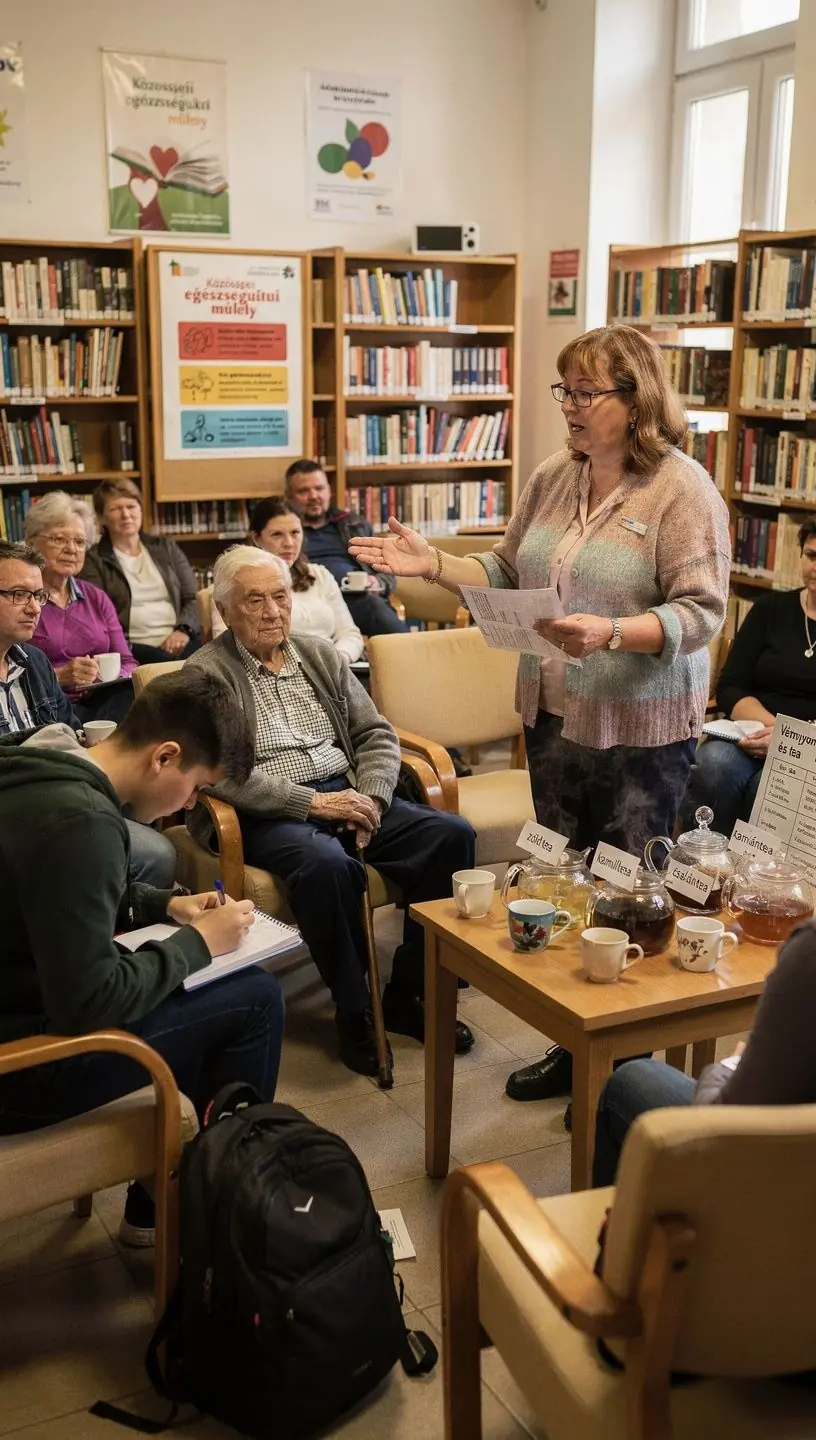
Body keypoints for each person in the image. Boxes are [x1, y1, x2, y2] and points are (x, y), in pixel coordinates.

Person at [349, 324, 731, 1109]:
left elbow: (702, 611)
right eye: (566, 391)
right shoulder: (557, 473)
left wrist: (614, 632)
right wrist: (437, 568)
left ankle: (628, 1076)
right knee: (566, 884)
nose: (572, 408)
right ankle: (574, 1045)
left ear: (636, 400)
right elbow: (505, 565)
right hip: (553, 714)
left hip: (641, 726)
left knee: (631, 896)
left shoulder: (682, 489)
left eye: (588, 393)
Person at [0, 666, 284, 1246]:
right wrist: (199, 943)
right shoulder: (83, 821)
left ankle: (161, 1198)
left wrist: (164, 907)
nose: (191, 802)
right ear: (164, 756)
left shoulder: (35, 759)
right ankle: (211, 1223)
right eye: (197, 786)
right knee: (253, 998)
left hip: (15, 999)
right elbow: (89, 1002)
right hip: (19, 1067)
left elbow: (50, 894)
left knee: (199, 996)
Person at [187, 544, 476, 1076]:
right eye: (255, 601)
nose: (274, 611)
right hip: (272, 810)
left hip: (349, 789)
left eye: (280, 597)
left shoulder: (318, 654)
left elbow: (374, 734)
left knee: (450, 835)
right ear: (225, 611)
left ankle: (409, 993)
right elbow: (223, 773)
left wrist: (370, 796)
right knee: (328, 867)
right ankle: (356, 1009)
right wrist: (314, 803)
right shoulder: (207, 674)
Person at [0, 538, 176, 887]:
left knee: (155, 835)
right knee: (154, 856)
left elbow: (69, 728)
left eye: (38, 596)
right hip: (18, 811)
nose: (35, 608)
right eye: (19, 594)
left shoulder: (34, 662)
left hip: (61, 799)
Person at [592, 919, 816, 1186]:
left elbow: (723, 1124)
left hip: (772, 1185)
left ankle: (618, 1224)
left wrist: (729, 1065)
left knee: (629, 1079)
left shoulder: (808, 954)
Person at [679, 516, 816, 838]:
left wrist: (789, 742)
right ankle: (705, 871)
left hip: (810, 748)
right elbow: (731, 686)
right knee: (712, 768)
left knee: (766, 789)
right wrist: (777, 731)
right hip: (749, 734)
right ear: (801, 555)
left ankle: (754, 881)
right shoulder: (770, 609)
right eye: (812, 556)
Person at [24, 492, 137, 724]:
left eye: (79, 542)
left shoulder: (96, 597)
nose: (72, 549)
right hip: (47, 702)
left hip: (101, 701)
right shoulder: (20, 597)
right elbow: (9, 672)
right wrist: (58, 677)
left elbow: (128, 662)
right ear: (31, 542)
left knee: (129, 691)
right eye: (59, 539)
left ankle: (97, 741)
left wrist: (106, 677)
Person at [211, 496, 365, 662]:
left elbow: (350, 634)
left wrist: (337, 660)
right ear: (256, 538)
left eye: (295, 533)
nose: (289, 543)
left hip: (334, 666)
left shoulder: (320, 575)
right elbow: (227, 646)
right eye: (277, 535)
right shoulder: (234, 582)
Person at [81, 478, 201, 663]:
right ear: (101, 517)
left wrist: (183, 631)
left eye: (131, 506)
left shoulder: (165, 548)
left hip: (180, 639)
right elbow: (97, 614)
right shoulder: (93, 559)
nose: (126, 515)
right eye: (115, 509)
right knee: (173, 669)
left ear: (140, 508)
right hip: (131, 646)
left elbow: (193, 598)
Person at [285, 459, 408, 636]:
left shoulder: (353, 524)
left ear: (329, 491)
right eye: (303, 491)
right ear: (289, 496)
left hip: (357, 601)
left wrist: (377, 583)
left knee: (374, 607)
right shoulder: (285, 532)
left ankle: (416, 658)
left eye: (319, 488)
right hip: (310, 601)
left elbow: (387, 572)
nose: (313, 496)